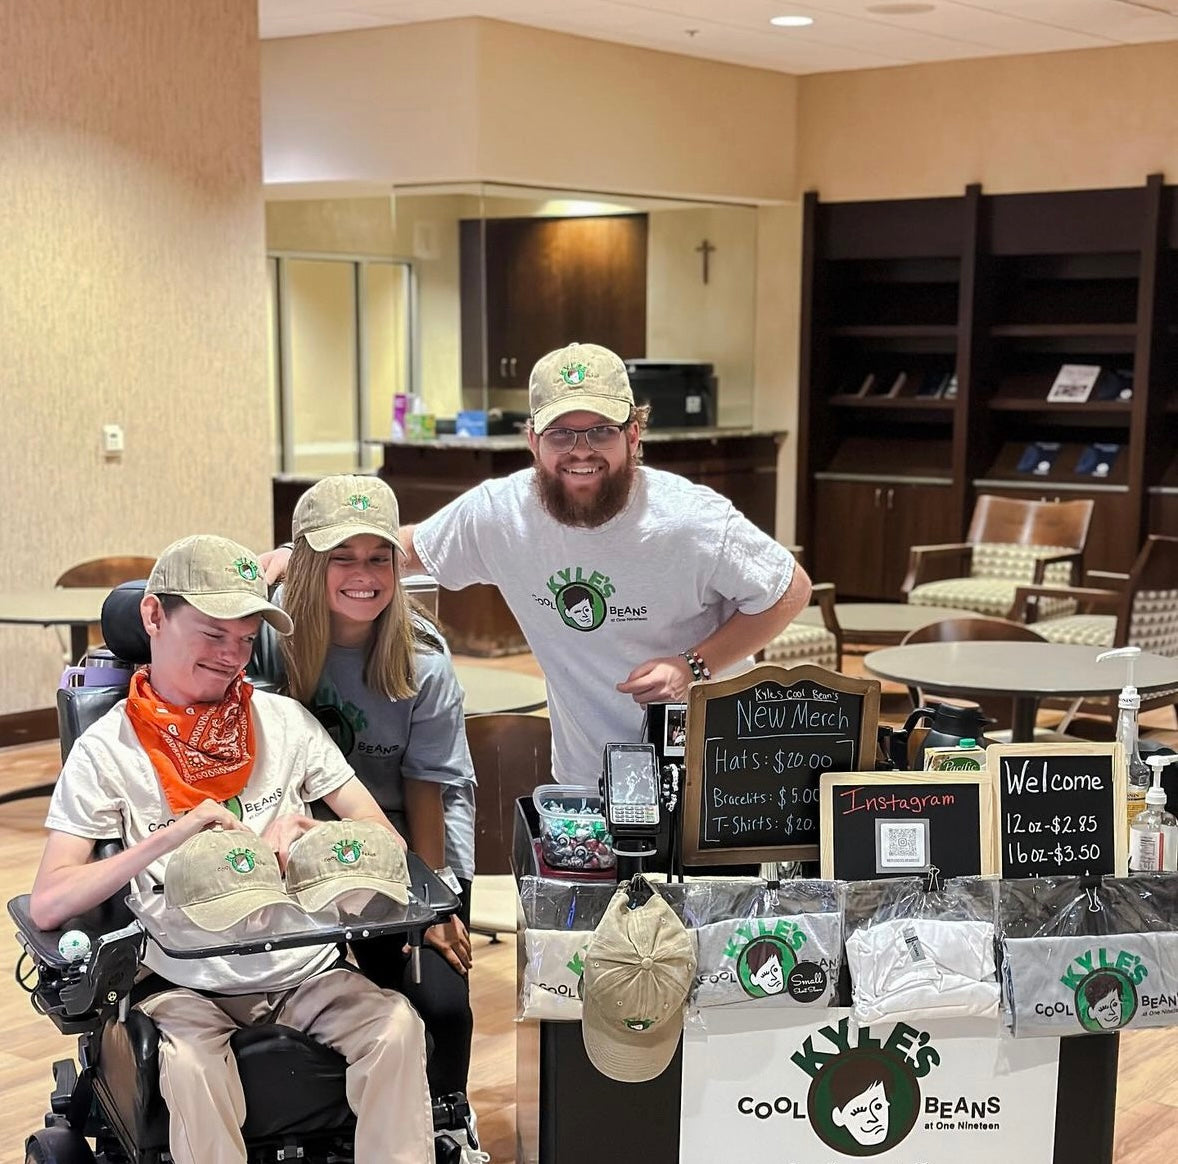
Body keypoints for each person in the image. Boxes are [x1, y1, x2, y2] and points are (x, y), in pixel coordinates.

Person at [29, 535, 435, 1164]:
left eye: (246, 639)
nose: (232, 657)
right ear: (154, 617)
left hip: (303, 969)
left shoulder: (285, 723)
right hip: (186, 979)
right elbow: (52, 901)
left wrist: (314, 837)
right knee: (190, 1067)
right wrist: (171, 837)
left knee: (397, 1027)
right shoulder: (107, 750)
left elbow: (386, 842)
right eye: (214, 634)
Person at [264, 341, 812, 786]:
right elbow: (400, 549)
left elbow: (789, 588)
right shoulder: (502, 513)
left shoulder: (689, 520)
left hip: (710, 767)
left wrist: (694, 665)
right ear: (532, 440)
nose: (581, 450)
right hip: (586, 775)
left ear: (634, 434)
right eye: (561, 433)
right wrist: (298, 555)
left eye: (600, 430)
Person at [254, 473, 477, 1107]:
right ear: (306, 564)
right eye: (341, 557)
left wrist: (432, 904)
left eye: (379, 556)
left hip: (410, 840)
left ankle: (445, 1123)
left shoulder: (423, 658)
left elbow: (427, 787)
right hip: (299, 838)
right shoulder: (267, 642)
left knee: (438, 1003)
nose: (364, 573)